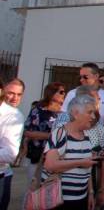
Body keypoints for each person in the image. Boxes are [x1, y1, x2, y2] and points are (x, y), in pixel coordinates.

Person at [41, 94, 99, 210]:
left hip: (81, 199)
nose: (93, 117)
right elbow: (50, 165)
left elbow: (87, 168)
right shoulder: (60, 134)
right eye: (89, 112)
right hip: (59, 200)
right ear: (75, 113)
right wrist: (80, 162)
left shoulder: (87, 135)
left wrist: (91, 193)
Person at [23, 82, 65, 187]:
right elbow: (28, 132)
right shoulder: (38, 110)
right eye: (61, 92)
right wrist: (51, 136)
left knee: (50, 190)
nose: (64, 94)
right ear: (51, 93)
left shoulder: (64, 111)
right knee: (33, 187)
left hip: (55, 156)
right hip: (38, 155)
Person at [62, 63, 104, 127]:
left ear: (96, 76)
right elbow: (63, 119)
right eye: (80, 77)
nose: (81, 80)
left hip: (97, 135)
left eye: (85, 77)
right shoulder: (72, 94)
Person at [0, 79, 25, 210]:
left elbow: (10, 154)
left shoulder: (15, 116)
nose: (15, 98)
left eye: (19, 94)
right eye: (11, 93)